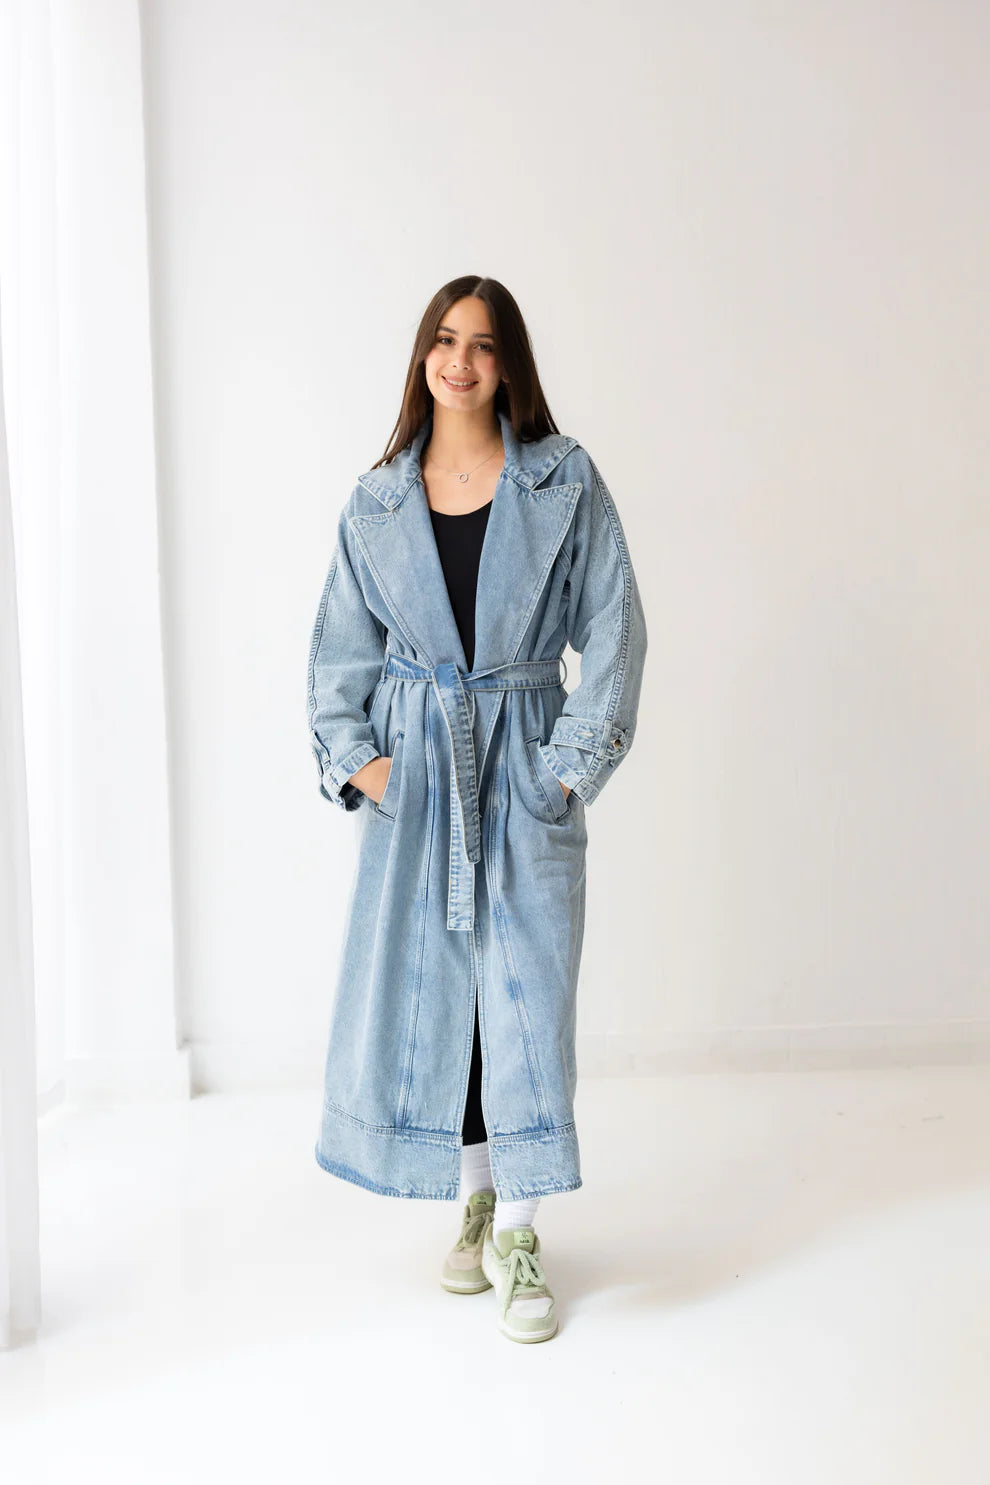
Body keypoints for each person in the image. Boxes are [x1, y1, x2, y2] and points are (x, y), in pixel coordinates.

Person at [306, 275, 648, 1344]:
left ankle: (523, 1234)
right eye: (445, 341)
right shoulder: (376, 502)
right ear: (423, 355)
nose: (460, 362)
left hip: (522, 766)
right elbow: (336, 659)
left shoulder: (561, 480)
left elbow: (617, 630)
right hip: (419, 786)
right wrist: (370, 770)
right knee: (440, 1005)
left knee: (525, 1002)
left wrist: (563, 772)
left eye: (484, 345)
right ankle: (476, 1202)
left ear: (509, 365)